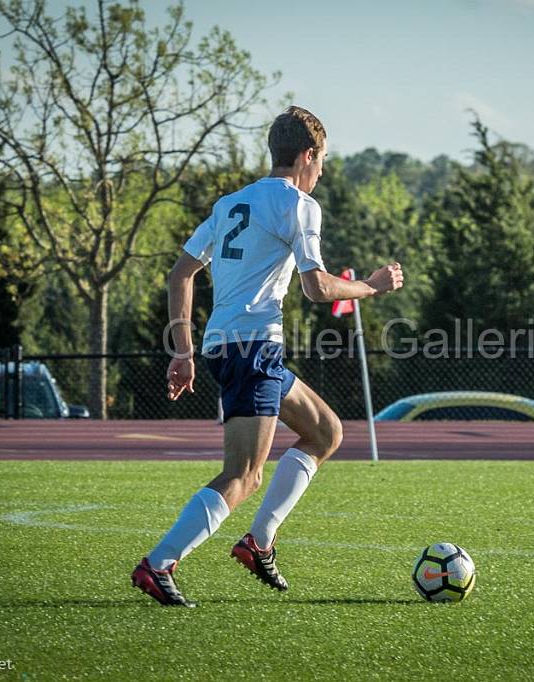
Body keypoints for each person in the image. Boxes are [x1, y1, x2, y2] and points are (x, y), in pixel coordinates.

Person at [131, 106, 404, 607]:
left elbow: (180, 274)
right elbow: (318, 287)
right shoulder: (298, 204)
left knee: (326, 431)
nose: (321, 172)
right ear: (307, 155)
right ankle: (160, 562)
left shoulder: (231, 203)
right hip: (251, 348)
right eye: (321, 161)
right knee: (244, 474)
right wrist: (371, 285)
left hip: (237, 347)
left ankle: (259, 542)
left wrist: (184, 350)